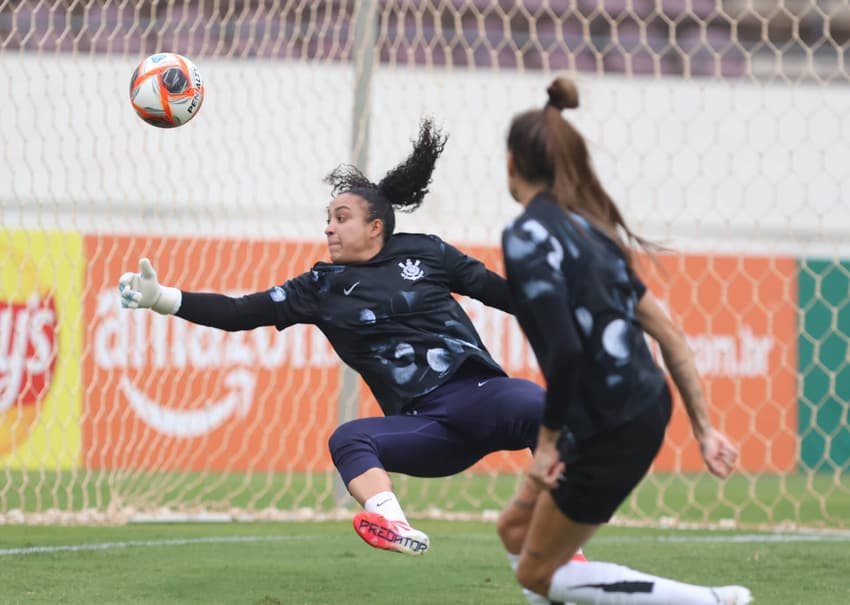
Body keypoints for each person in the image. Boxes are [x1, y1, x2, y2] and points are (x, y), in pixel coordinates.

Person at [117, 119, 585, 567]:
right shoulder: (318, 287)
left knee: (534, 403)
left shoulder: (430, 253)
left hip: (480, 396)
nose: (329, 228)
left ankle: (565, 552)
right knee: (349, 437)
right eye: (327, 219)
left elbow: (504, 295)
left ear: (375, 226)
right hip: (428, 429)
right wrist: (164, 298)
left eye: (341, 218)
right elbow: (241, 313)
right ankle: (396, 526)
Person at [494, 78, 753, 605]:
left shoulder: (525, 236)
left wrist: (545, 446)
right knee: (513, 535)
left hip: (608, 422)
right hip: (636, 405)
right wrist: (704, 430)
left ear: (511, 164)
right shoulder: (591, 234)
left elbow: (565, 352)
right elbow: (670, 333)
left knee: (535, 574)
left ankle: (709, 602)